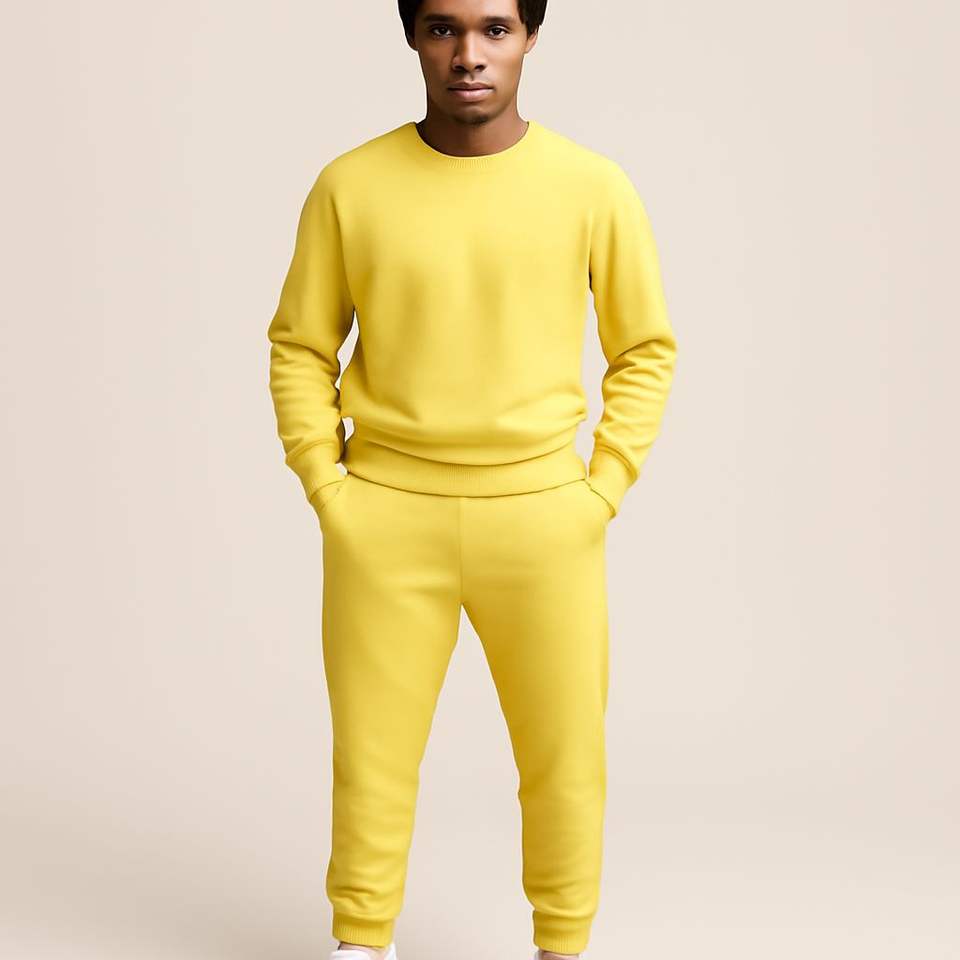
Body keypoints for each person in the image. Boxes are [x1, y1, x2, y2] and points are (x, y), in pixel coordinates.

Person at [266, 2, 678, 958]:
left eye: (495, 29)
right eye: (444, 28)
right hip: (384, 514)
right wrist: (327, 485)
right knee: (371, 756)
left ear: (532, 37)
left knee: (564, 757)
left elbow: (645, 349)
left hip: (543, 519)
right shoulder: (350, 185)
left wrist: (602, 489)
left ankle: (562, 945)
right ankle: (361, 942)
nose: (468, 55)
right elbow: (300, 345)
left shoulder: (592, 186)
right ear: (413, 37)